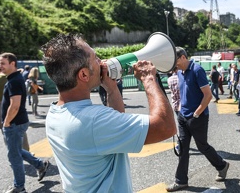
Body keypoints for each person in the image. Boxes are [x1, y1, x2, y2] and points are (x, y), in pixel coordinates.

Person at [41, 33, 176, 192]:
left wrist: (112, 89)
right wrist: (148, 79)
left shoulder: (55, 113)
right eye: (96, 58)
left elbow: (115, 124)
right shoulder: (94, 121)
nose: (101, 62)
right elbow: (165, 127)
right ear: (84, 74)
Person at [166, 47, 229, 192]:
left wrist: (196, 113)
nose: (173, 64)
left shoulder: (197, 70)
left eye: (174, 60)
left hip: (197, 117)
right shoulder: (180, 72)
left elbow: (208, 95)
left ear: (182, 57)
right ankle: (181, 181)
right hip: (183, 115)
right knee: (182, 148)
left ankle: (222, 166)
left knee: (202, 146)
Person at [0, 53, 49, 193]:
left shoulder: (14, 81)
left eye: (3, 63)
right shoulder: (14, 78)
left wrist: (7, 122)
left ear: (12, 64)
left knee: (14, 156)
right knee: (17, 151)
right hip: (17, 122)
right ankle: (40, 165)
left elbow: (14, 105)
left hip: (14, 123)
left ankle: (19, 187)